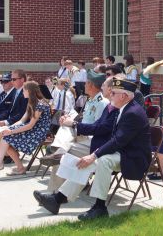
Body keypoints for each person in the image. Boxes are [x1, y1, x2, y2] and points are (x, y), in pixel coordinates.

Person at [34, 78, 151, 220]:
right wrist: (92, 156)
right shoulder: (125, 108)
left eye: (113, 93)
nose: (110, 95)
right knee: (87, 162)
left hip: (133, 158)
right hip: (122, 152)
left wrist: (94, 155)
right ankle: (57, 199)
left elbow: (118, 140)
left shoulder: (132, 112)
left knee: (103, 160)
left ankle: (99, 207)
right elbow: (114, 139)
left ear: (124, 96)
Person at [35, 76, 118, 195]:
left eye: (104, 86)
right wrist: (72, 121)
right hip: (87, 136)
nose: (102, 88)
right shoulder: (97, 102)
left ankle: (54, 193)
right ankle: (54, 191)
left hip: (95, 142)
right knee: (65, 134)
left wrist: (74, 125)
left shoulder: (105, 104)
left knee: (63, 154)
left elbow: (99, 129)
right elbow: (93, 123)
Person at [0, 81, 51, 174]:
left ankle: (1, 164)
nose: (22, 93)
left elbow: (30, 125)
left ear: (29, 91)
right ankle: (16, 167)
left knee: (6, 138)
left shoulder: (40, 104)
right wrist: (8, 127)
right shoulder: (31, 103)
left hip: (37, 133)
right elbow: (22, 120)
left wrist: (11, 131)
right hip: (31, 129)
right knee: (5, 136)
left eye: (24, 90)